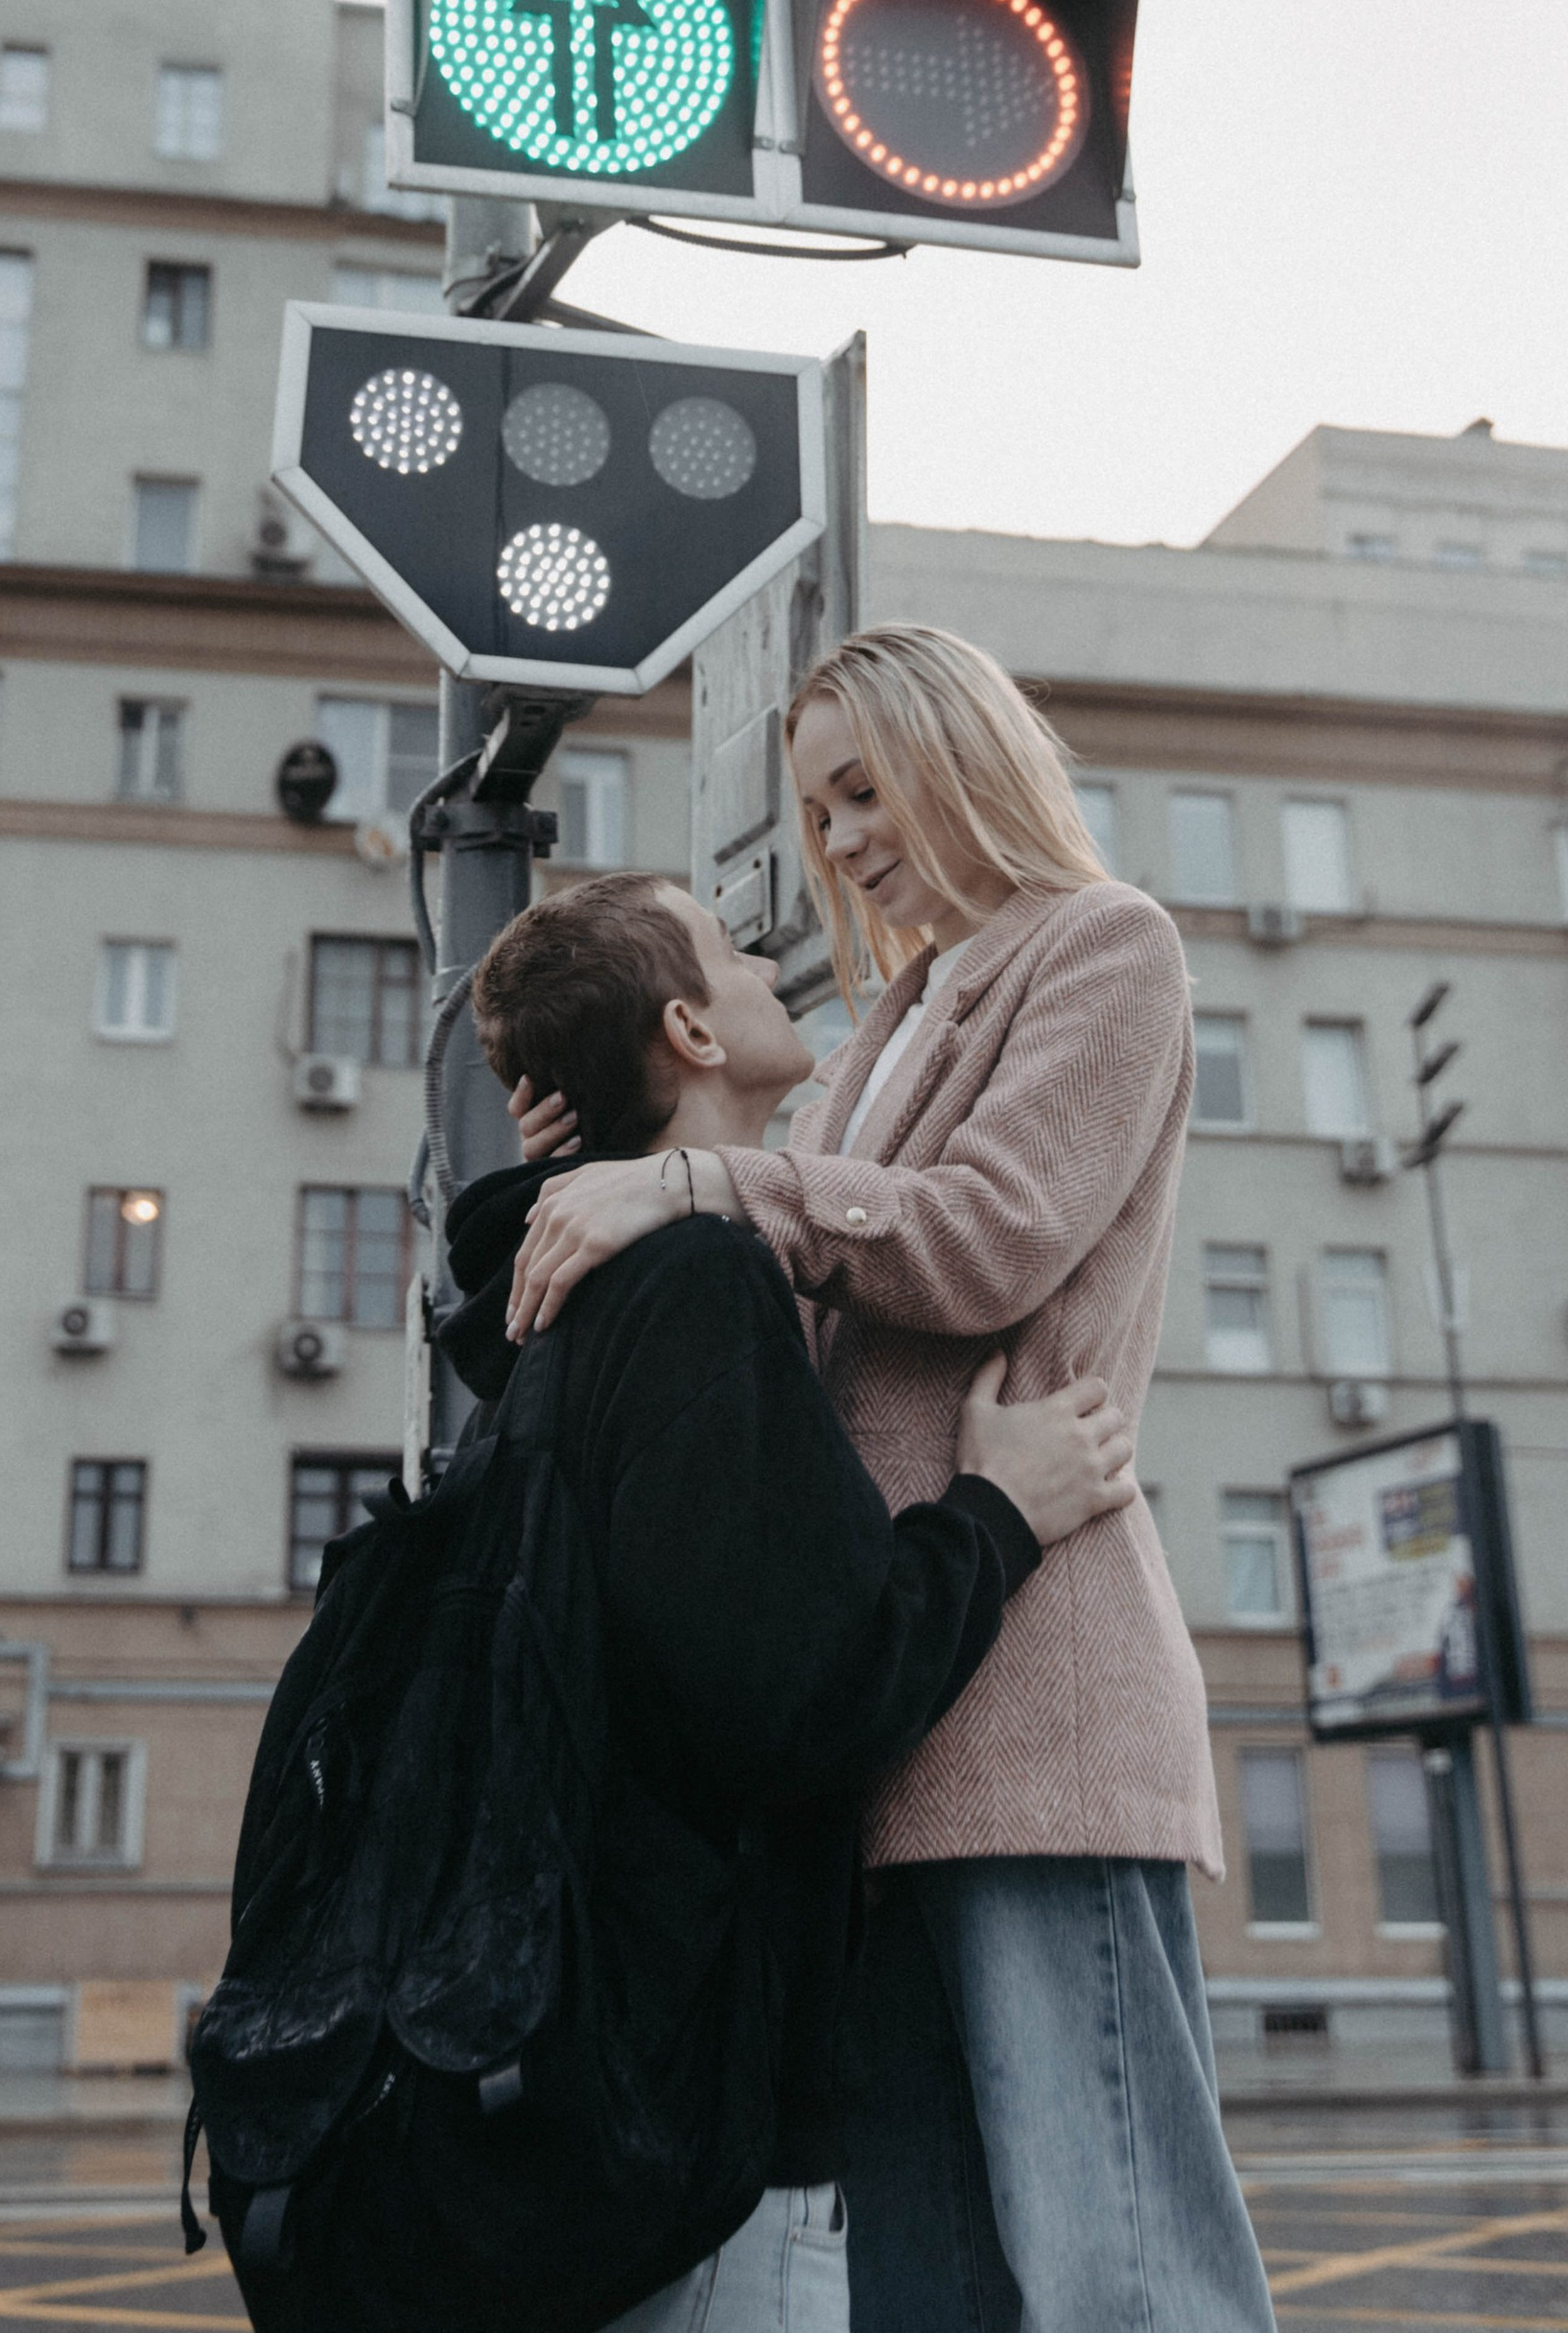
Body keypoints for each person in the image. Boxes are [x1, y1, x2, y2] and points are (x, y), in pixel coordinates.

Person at [508, 625, 1278, 2333]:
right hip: (886, 1721)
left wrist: (708, 1184)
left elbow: (989, 1241)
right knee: (927, 2283)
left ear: (965, 754)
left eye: (865, 788)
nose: (842, 838)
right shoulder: (875, 1035)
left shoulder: (1103, 947)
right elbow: (768, 1339)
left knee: (1119, 2266)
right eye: (817, 806)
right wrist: (611, 1165)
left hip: (1035, 1714)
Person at [455, 866, 1140, 2333]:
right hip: (704, 2090)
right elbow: (807, 1695)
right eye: (730, 954)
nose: (772, 965)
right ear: (695, 1033)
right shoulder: (696, 1283)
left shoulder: (566, 1311)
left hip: (585, 2044)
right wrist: (999, 1517)